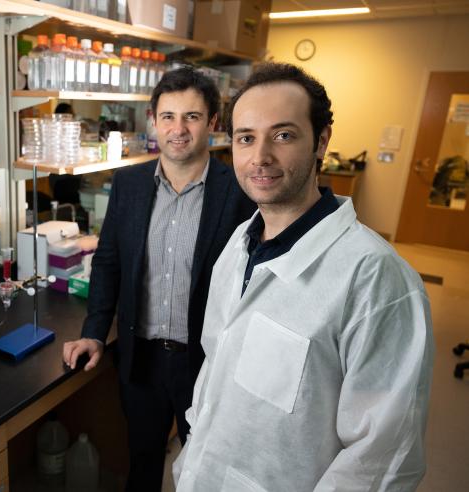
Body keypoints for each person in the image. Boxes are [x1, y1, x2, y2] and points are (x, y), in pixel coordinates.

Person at [173, 62, 434, 491]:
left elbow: (383, 458)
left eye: (283, 135)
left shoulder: (376, 279)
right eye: (246, 138)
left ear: (321, 142)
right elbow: (215, 368)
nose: (260, 158)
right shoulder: (241, 243)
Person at [62, 67, 256, 490]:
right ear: (152, 119)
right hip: (141, 357)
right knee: (143, 460)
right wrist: (94, 333)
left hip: (205, 361)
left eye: (192, 116)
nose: (179, 129)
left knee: (206, 469)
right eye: (168, 116)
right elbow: (108, 261)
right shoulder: (129, 183)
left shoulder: (239, 189)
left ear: (213, 122)